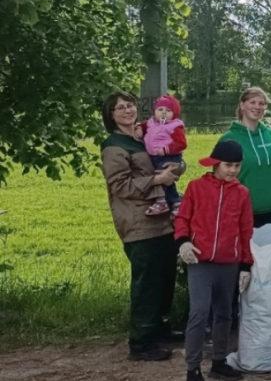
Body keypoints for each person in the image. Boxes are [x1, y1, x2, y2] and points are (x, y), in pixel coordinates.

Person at [100, 91, 184, 361]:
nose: (127, 110)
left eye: (130, 105)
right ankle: (141, 343)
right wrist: (157, 180)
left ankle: (158, 328)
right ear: (110, 115)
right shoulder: (114, 146)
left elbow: (164, 162)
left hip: (161, 220)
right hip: (138, 222)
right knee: (147, 283)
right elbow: (120, 186)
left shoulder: (140, 138)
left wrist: (175, 167)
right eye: (120, 108)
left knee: (163, 277)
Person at [175, 140, 254, 381]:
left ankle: (219, 361)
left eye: (237, 166)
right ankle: (193, 368)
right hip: (201, 262)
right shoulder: (196, 187)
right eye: (228, 165)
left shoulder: (242, 193)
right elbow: (182, 219)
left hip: (229, 263)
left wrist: (245, 265)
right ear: (215, 164)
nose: (232, 170)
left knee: (225, 314)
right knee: (199, 313)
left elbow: (246, 231)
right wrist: (183, 242)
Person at [220, 87, 271, 227]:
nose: (257, 107)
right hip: (243, 213)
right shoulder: (228, 139)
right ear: (242, 105)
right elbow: (220, 180)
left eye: (261, 103)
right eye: (252, 102)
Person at [135, 95, 187, 217]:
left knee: (165, 179)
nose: (164, 112)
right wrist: (139, 129)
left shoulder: (175, 126)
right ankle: (173, 203)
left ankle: (166, 202)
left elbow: (181, 143)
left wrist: (166, 150)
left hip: (169, 156)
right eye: (160, 110)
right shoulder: (151, 122)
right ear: (155, 111)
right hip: (154, 156)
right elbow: (143, 126)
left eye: (168, 111)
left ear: (174, 113)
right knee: (160, 178)